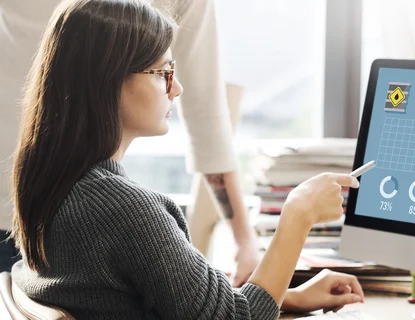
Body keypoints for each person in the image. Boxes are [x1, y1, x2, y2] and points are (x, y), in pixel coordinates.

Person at [8, 0, 365, 319]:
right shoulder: (124, 211)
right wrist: (298, 213)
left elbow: (175, 301)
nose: (176, 88)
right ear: (108, 80)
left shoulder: (53, 187)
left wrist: (287, 297)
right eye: (162, 73)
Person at [0, 0, 260, 286]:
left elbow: (206, 114)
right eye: (162, 73)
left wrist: (243, 240)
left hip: (34, 201)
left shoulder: (121, 207)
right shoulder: (132, 213)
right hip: (33, 212)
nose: (175, 88)